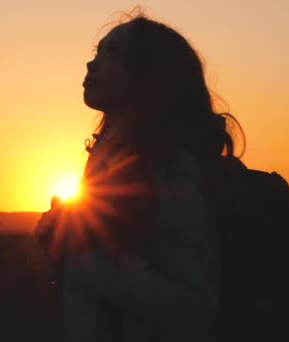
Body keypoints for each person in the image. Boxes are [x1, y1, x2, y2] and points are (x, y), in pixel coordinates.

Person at [35, 10, 244, 342]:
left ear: (150, 74)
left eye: (113, 52)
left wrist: (81, 249)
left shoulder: (172, 171)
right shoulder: (112, 166)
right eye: (97, 52)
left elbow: (193, 310)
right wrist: (59, 238)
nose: (92, 63)